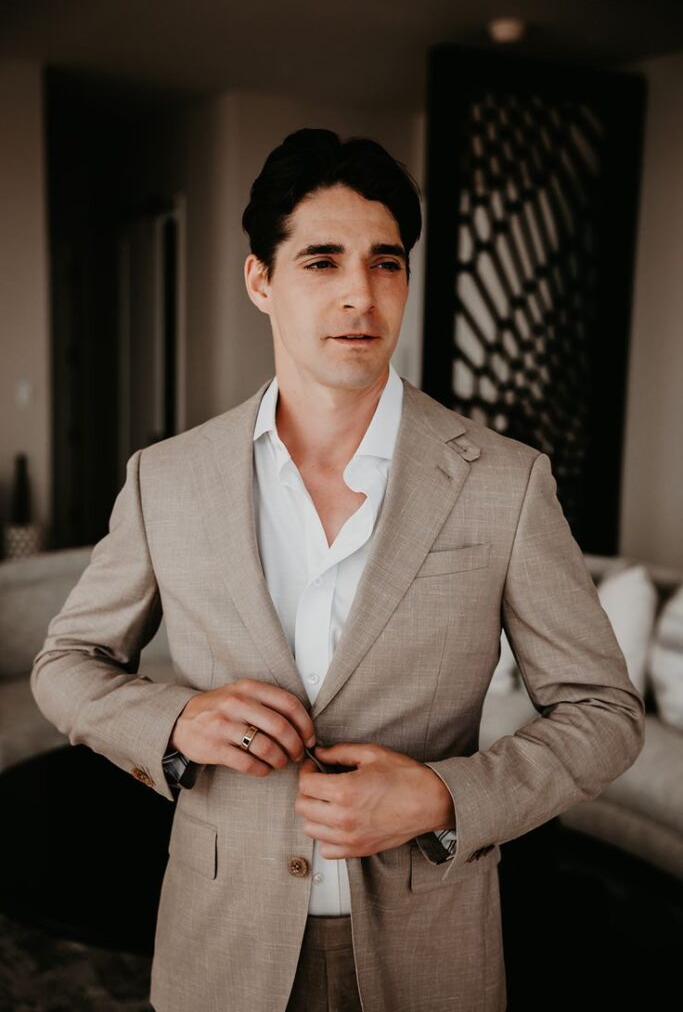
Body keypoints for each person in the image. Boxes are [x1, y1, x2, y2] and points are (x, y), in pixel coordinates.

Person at [32, 128, 645, 1012]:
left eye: (385, 263)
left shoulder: (507, 482)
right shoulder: (165, 478)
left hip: (429, 951)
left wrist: (442, 796)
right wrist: (175, 721)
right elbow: (65, 664)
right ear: (260, 281)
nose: (360, 293)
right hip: (223, 942)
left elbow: (603, 713)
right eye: (321, 261)